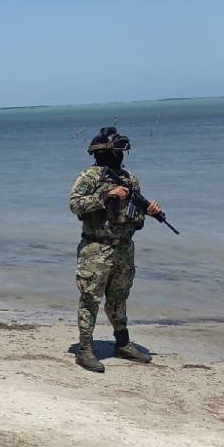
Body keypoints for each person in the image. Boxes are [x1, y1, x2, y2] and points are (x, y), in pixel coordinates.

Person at [69, 127, 161, 373]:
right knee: (90, 299)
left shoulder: (130, 179)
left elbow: (134, 216)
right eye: (117, 151)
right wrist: (105, 196)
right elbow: (75, 204)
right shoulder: (89, 177)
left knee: (119, 299)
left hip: (123, 248)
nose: (121, 156)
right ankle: (85, 349)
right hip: (96, 249)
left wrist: (148, 211)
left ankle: (122, 343)